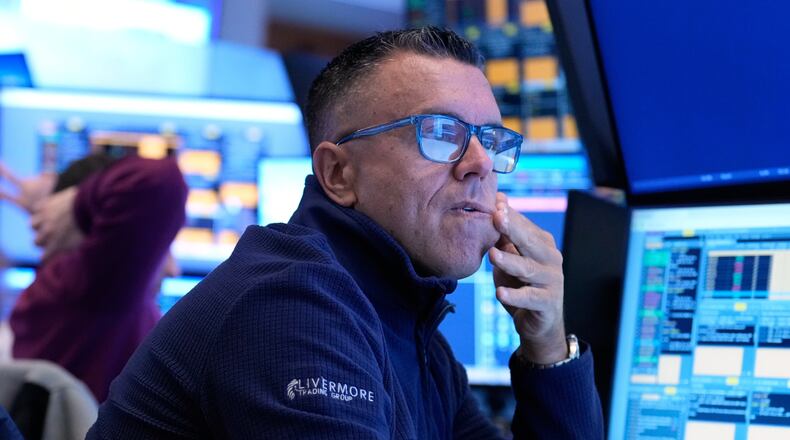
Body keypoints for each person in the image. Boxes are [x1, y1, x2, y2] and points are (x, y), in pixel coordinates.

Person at [88, 27, 604, 438]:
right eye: (440, 133)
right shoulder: (289, 303)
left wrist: (549, 348)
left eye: (490, 139)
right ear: (338, 174)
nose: (479, 163)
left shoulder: (416, 336)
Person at [0, 153, 187, 402]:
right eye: (160, 246)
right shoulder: (95, 291)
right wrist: (77, 204)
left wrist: (55, 213)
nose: (174, 270)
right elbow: (161, 181)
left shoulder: (60, 293)